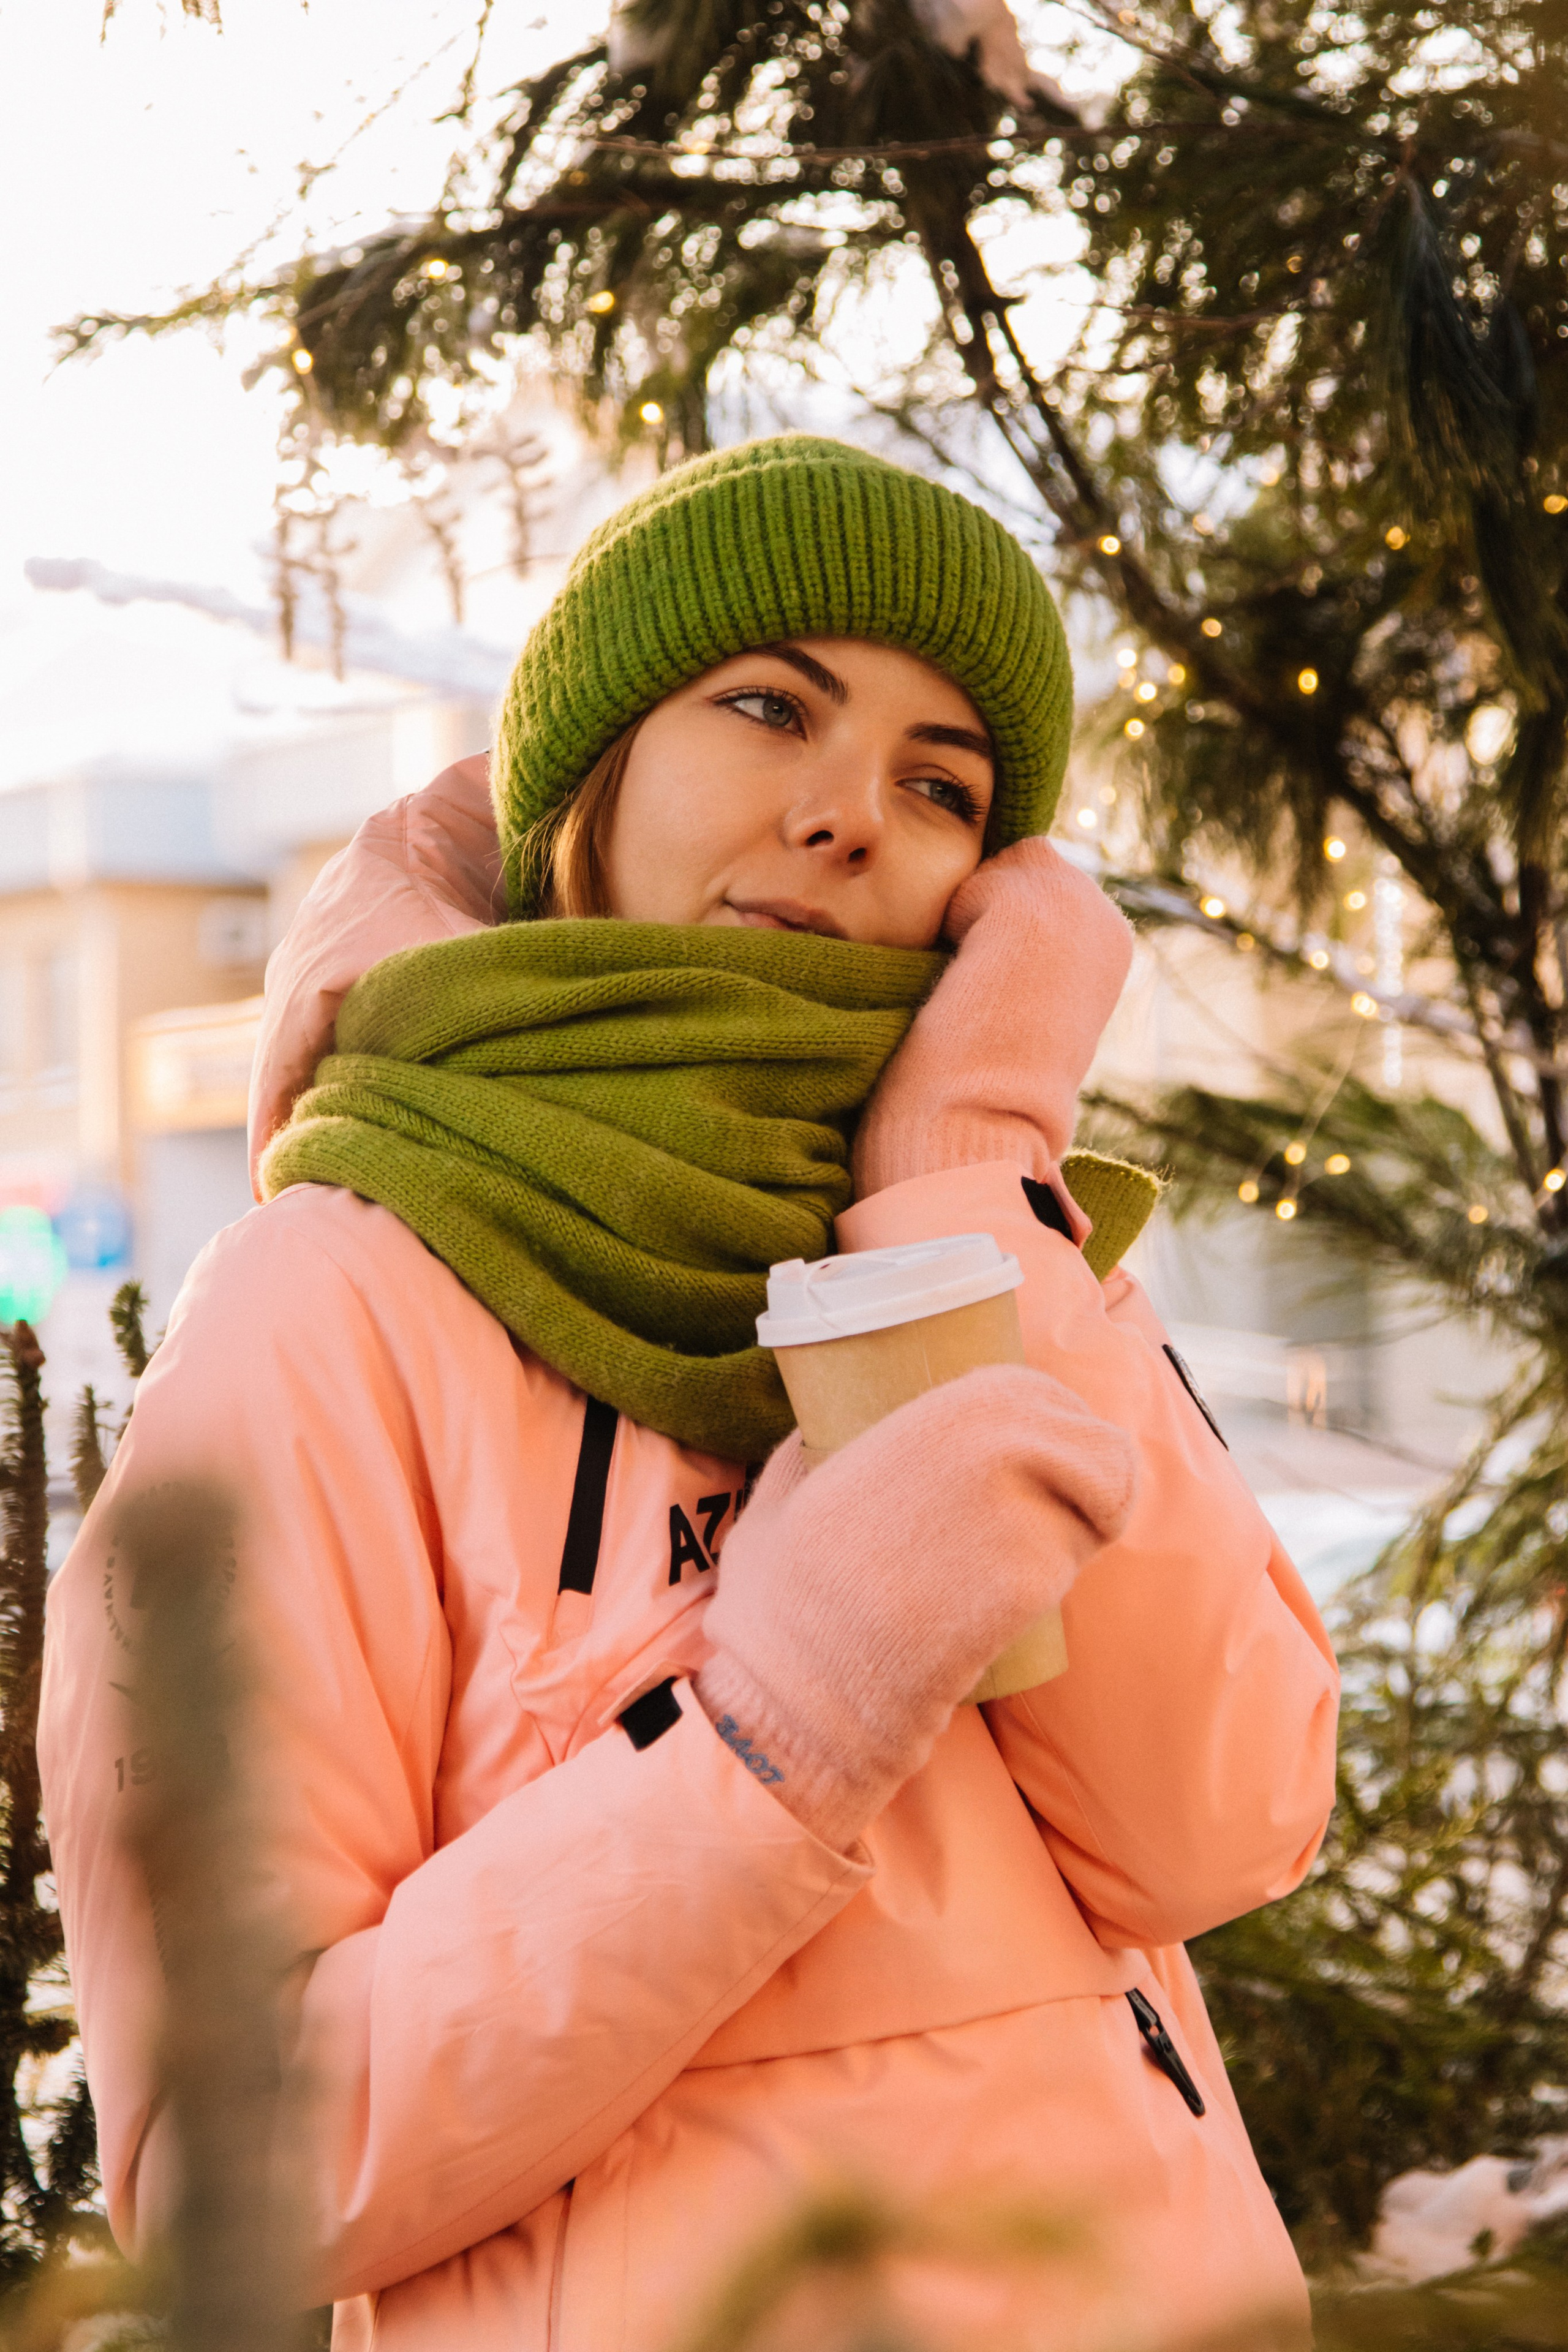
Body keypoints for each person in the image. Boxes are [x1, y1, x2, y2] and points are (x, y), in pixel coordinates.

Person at [39, 437, 1338, 2352]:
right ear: (594, 770)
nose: (850, 818)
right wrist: (768, 1738)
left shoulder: (1002, 1243)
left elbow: (1215, 1833)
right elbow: (222, 2164)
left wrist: (967, 1179)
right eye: (766, 707)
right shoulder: (324, 1306)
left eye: (940, 785)